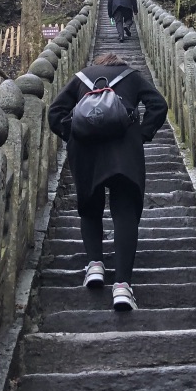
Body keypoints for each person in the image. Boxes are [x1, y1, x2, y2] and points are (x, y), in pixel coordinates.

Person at [48, 53, 167, 310]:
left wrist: (74, 134)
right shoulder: (132, 76)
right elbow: (158, 105)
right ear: (119, 63)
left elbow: (55, 112)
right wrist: (141, 133)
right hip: (124, 152)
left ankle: (95, 266)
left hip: (85, 152)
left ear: (98, 64)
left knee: (90, 207)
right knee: (124, 210)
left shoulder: (81, 77)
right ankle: (122, 286)